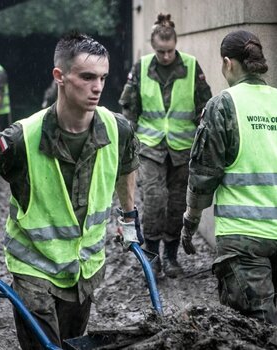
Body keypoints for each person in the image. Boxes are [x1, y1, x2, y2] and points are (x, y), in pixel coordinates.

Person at [0, 32, 141, 349]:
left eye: (102, 78)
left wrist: (128, 217)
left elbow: (127, 165)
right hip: (34, 268)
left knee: (70, 342)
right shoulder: (20, 138)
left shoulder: (117, 128)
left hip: (84, 269)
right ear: (60, 77)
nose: (97, 87)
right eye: (86, 77)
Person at [181, 30, 277, 324]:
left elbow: (202, 176)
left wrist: (190, 221)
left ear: (228, 63)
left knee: (255, 331)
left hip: (243, 239)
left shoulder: (222, 105)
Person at [119, 13, 212, 278]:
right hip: (150, 146)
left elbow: (204, 106)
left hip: (183, 149)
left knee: (175, 204)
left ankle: (171, 257)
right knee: (154, 200)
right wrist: (129, 140)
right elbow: (129, 106)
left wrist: (204, 142)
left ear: (176, 45)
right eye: (161, 51)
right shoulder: (142, 67)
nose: (166, 56)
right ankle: (153, 256)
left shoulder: (192, 67)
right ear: (153, 47)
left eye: (170, 51)